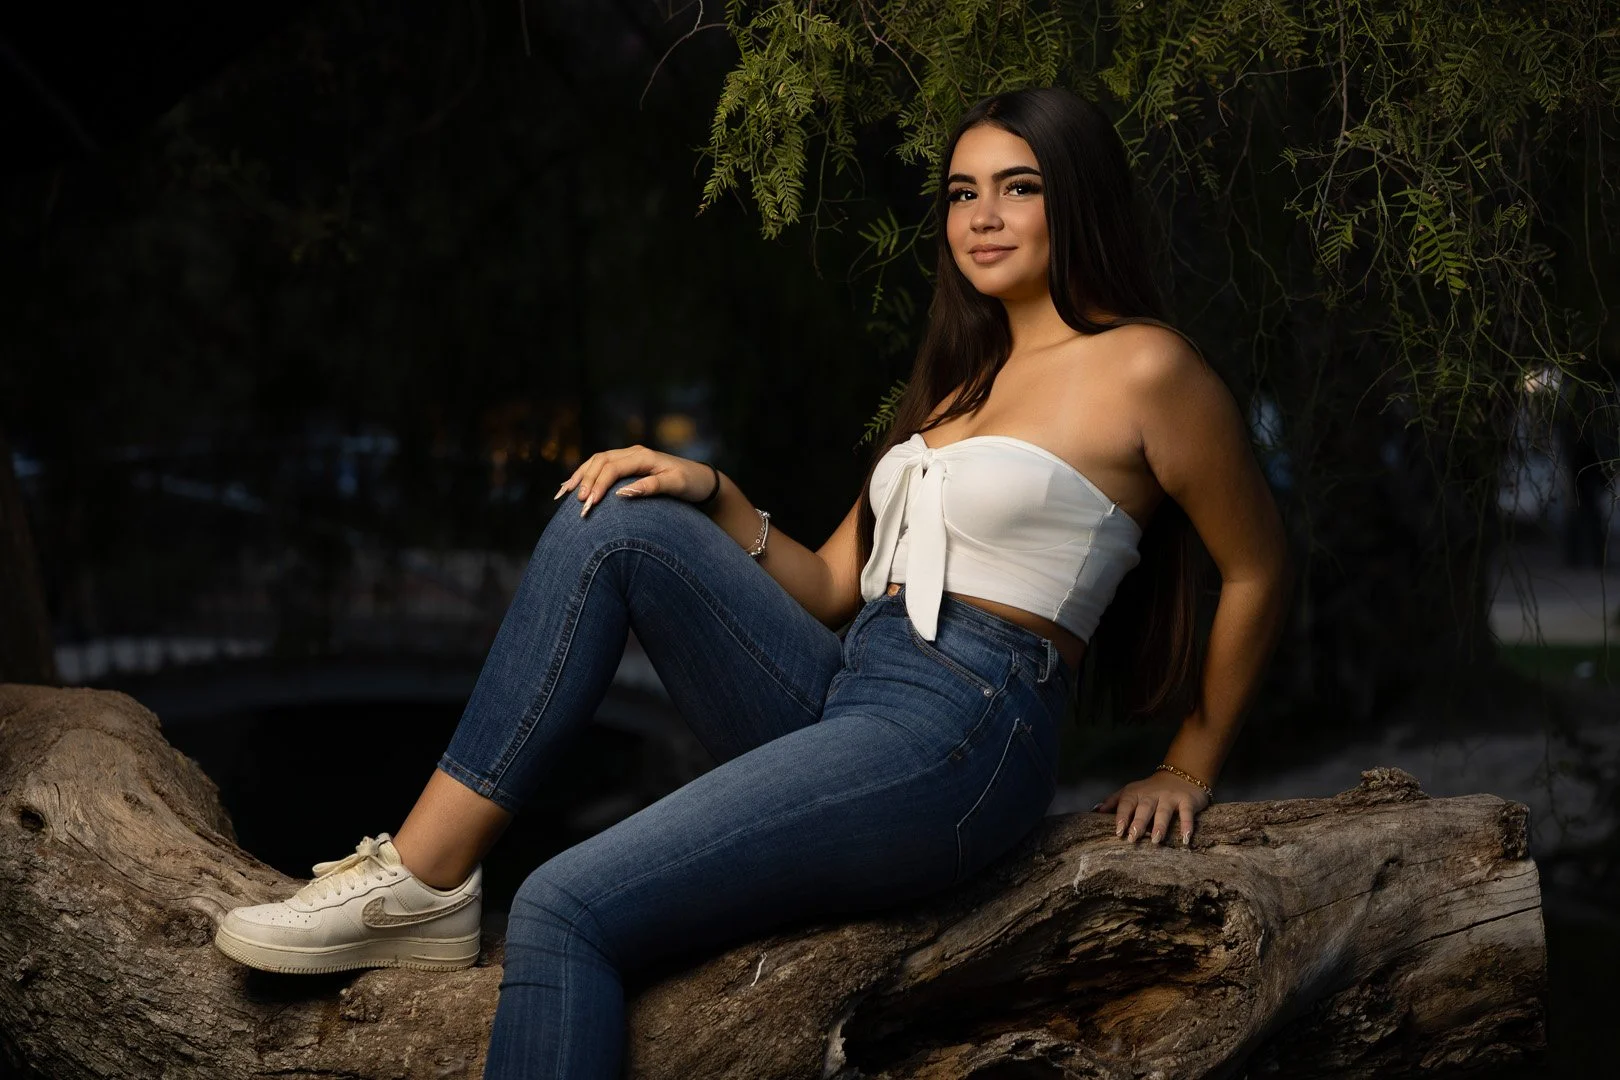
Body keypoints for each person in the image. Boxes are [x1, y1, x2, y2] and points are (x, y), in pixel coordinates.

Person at [212, 86, 1293, 1078]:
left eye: (1019, 187)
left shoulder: (1147, 367)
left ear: (1080, 201)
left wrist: (1190, 767)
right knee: (619, 522)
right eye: (964, 193)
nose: (984, 216)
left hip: (966, 728)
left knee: (566, 905)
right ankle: (423, 875)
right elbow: (830, 584)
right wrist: (712, 488)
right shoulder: (961, 383)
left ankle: (436, 894)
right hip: (852, 685)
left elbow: (1256, 565)